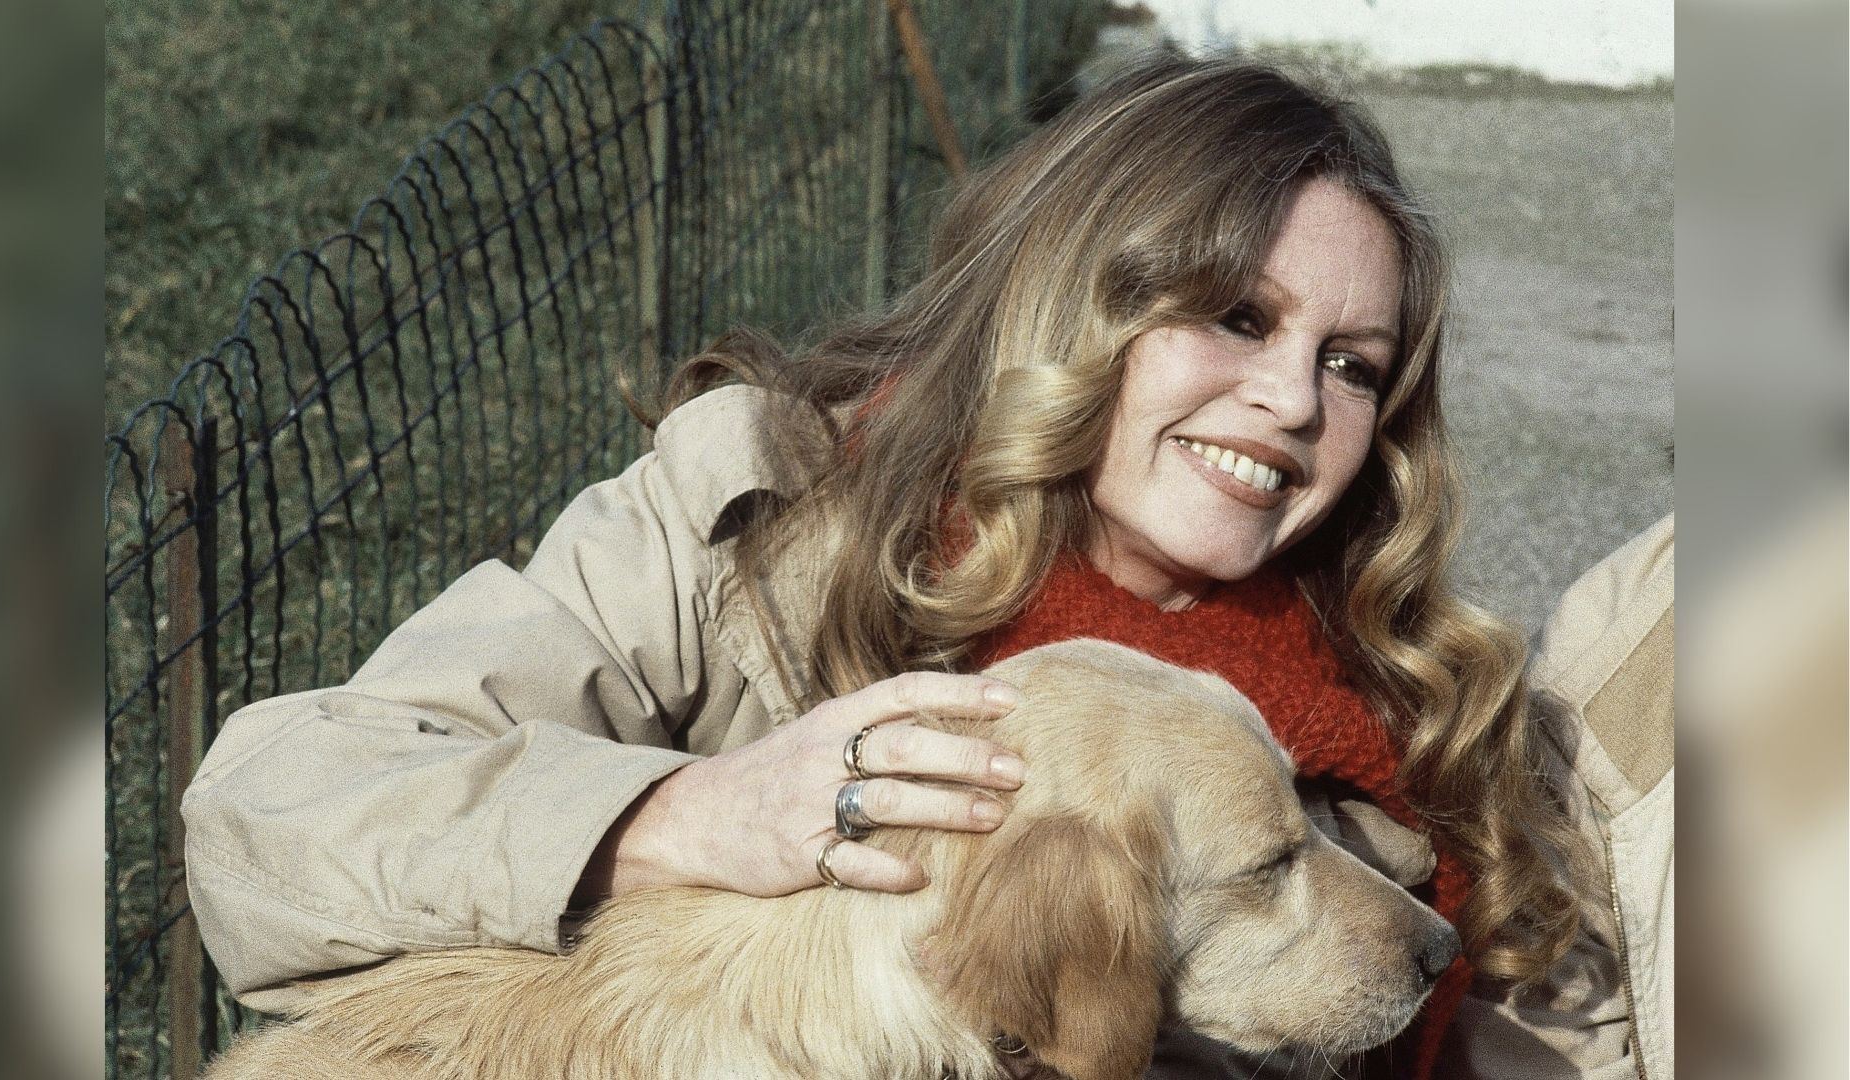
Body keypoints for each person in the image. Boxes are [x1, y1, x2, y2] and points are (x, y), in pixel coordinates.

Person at [182, 56, 1612, 1079]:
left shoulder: (1407, 685)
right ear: (1073, 300)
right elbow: (269, 809)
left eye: (1352, 365)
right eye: (1236, 316)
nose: (1294, 400)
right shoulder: (754, 523)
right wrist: (683, 814)